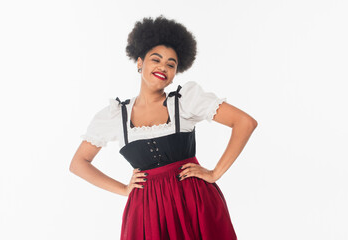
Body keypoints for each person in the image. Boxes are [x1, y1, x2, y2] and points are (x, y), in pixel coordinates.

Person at [70, 15, 257, 240]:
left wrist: (215, 172)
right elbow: (78, 164)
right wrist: (123, 189)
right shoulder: (114, 116)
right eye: (156, 59)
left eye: (171, 64)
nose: (163, 67)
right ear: (140, 63)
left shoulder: (185, 102)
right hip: (147, 211)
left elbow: (245, 123)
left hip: (194, 201)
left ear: (174, 74)